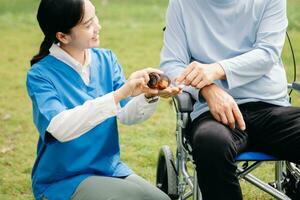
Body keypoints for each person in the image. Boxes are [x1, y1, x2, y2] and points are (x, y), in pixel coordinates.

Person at [26, 0, 182, 199]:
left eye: (95, 17)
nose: (97, 27)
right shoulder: (40, 75)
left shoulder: (106, 59)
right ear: (62, 36)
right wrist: (119, 95)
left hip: (109, 169)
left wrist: (148, 95)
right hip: (65, 179)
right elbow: (59, 128)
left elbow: (127, 115)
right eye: (88, 24)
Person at [160, 0, 300, 199]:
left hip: (270, 107)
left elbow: (267, 54)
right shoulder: (182, 4)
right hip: (213, 113)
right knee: (210, 142)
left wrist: (217, 70)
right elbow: (171, 64)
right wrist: (207, 89)